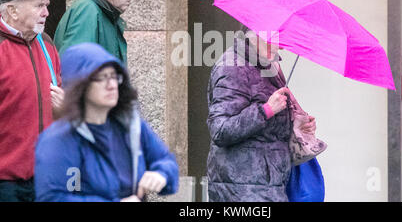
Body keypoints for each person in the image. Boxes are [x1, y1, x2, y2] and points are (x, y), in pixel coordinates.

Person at [34, 42, 179, 202]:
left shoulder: (131, 125)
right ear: (80, 85)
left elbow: (166, 160)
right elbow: (53, 197)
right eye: (102, 78)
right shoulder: (58, 139)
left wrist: (162, 173)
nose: (111, 85)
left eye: (114, 76)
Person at [206, 27, 317, 202]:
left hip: (271, 186)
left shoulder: (270, 67)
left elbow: (271, 130)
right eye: (276, 38)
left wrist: (297, 126)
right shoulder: (232, 67)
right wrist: (265, 111)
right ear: (257, 33)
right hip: (240, 191)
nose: (281, 47)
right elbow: (220, 130)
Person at [0, 0, 63, 202]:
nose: (46, 12)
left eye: (46, 5)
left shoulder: (46, 42)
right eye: (39, 5)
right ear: (12, 11)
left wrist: (63, 107)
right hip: (5, 183)